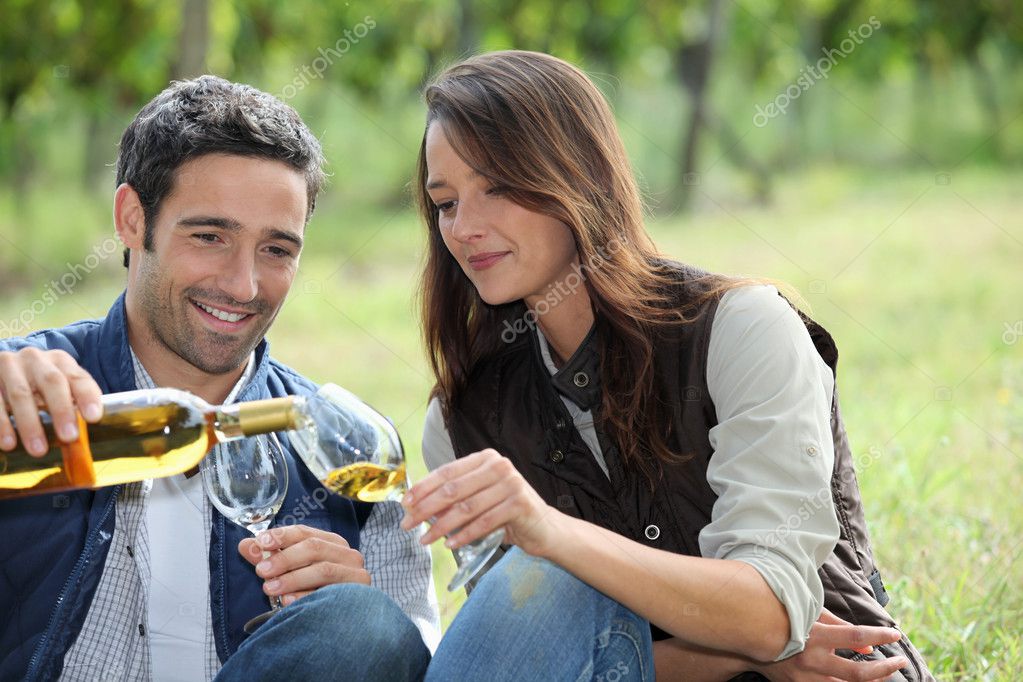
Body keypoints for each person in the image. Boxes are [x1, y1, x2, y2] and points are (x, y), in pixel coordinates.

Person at [400, 51, 934, 681]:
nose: (463, 228)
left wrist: (546, 531)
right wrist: (734, 655)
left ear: (576, 176)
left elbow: (769, 613)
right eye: (445, 203)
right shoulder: (461, 422)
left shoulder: (744, 328)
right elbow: (525, 657)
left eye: (497, 186)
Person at [0, 76, 437, 681]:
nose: (243, 286)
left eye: (277, 251)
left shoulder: (346, 450)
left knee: (361, 625)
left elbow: (423, 653)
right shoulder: (23, 395)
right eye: (210, 237)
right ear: (132, 219)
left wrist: (360, 623)